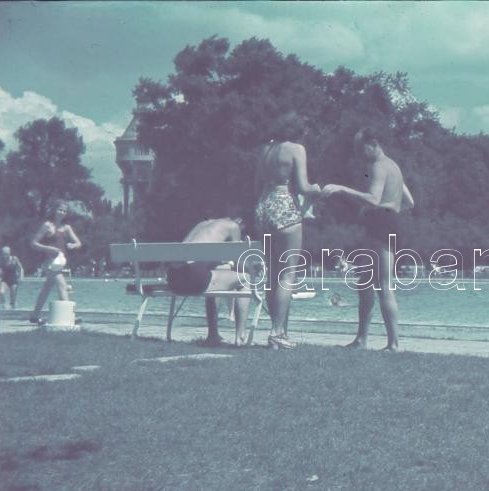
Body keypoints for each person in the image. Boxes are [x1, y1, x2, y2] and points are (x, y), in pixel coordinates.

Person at [322, 127, 415, 352]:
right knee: (365, 283)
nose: (357, 153)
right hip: (391, 222)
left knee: (383, 285)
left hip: (381, 225)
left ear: (372, 143)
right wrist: (386, 209)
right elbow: (409, 202)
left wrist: (342, 189)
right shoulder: (394, 166)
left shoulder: (378, 166)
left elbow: (373, 199)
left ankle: (393, 344)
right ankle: (361, 339)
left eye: (359, 148)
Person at [254, 112, 321, 350]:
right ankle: (277, 333)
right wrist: (316, 189)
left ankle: (280, 331)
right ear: (298, 131)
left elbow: (256, 184)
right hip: (284, 206)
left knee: (273, 275)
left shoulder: (265, 150)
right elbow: (303, 186)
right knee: (287, 274)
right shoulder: (296, 149)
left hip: (263, 207)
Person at [167, 217, 251, 346]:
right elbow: (239, 263)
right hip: (194, 277)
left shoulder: (202, 224)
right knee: (245, 278)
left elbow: (193, 260)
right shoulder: (233, 226)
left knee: (216, 275)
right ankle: (241, 337)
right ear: (240, 223)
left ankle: (213, 336)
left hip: (173, 280)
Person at [29, 200, 82, 325]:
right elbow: (33, 243)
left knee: (46, 289)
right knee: (62, 285)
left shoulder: (67, 228)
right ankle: (70, 317)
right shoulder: (47, 226)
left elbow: (79, 243)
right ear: (54, 210)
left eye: (64, 211)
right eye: (60, 209)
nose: (62, 212)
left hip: (60, 262)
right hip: (49, 262)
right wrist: (48, 248)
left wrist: (73, 245)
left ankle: (35, 315)